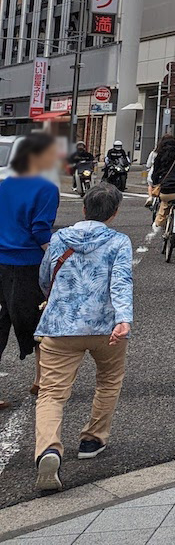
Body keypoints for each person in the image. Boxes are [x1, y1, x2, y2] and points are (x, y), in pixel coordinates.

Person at [32, 183, 132, 492]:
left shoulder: (60, 238)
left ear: (84, 208)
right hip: (106, 327)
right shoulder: (119, 241)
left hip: (61, 325)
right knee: (108, 380)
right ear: (114, 213)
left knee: (51, 393)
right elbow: (121, 281)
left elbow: (45, 277)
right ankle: (92, 439)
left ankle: (49, 449)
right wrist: (123, 319)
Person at [0, 133, 61, 411]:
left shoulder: (5, 185)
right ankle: (41, 380)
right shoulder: (46, 188)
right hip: (28, 264)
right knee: (39, 322)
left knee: (2, 324)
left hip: (1, 262)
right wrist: (56, 257)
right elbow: (40, 230)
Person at [146, 137, 175, 246]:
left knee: (164, 207)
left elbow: (155, 175)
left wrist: (157, 183)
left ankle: (158, 225)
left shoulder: (159, 158)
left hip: (167, 191)